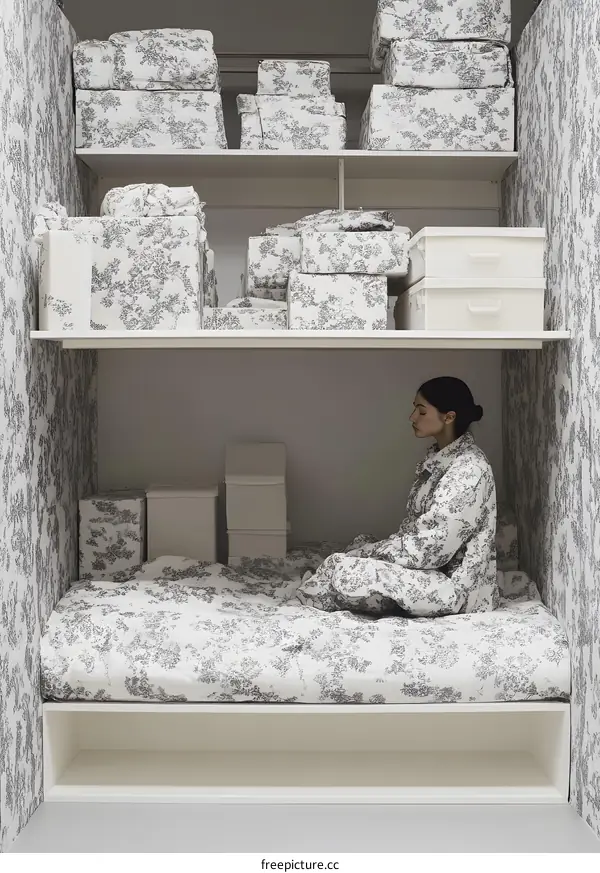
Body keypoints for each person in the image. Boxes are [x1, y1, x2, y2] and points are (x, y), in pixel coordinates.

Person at [297, 377, 498, 617]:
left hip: (453, 586)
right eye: (414, 408)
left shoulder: (468, 470)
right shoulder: (440, 457)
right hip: (429, 568)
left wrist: (372, 553)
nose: (412, 417)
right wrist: (370, 549)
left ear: (449, 417)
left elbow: (432, 548)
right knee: (360, 543)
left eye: (421, 411)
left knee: (345, 569)